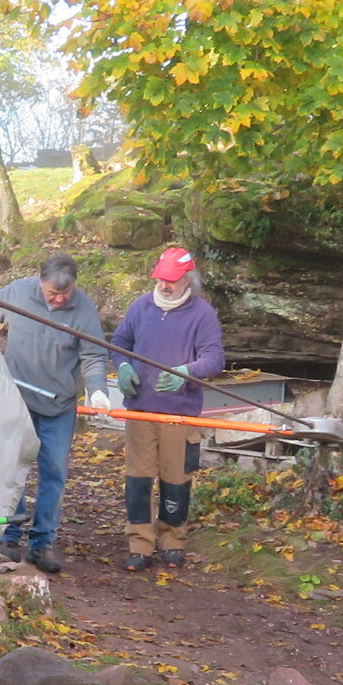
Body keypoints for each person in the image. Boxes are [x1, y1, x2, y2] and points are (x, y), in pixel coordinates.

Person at [0, 251, 112, 574]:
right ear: (40, 281)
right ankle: (9, 536)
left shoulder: (84, 310)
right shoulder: (19, 292)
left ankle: (43, 543)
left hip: (58, 405)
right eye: (53, 293)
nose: (59, 299)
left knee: (54, 473)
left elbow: (93, 355)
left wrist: (98, 388)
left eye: (65, 293)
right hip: (17, 399)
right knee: (12, 467)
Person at [108, 244, 226, 571]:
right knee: (138, 479)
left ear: (188, 279)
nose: (164, 285)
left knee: (176, 479)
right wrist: (124, 367)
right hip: (140, 411)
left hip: (180, 413)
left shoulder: (202, 313)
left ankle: (174, 542)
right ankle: (139, 544)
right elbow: (118, 343)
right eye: (161, 279)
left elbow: (214, 358)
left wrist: (187, 372)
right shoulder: (140, 306)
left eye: (171, 280)